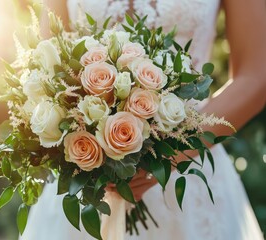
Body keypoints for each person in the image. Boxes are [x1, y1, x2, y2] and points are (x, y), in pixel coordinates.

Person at [21, 0, 266, 239]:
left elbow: (256, 76)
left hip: (188, 169)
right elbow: (46, 63)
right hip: (87, 172)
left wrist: (170, 155)